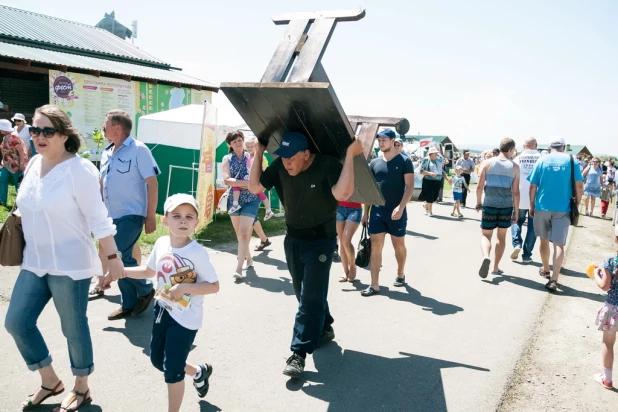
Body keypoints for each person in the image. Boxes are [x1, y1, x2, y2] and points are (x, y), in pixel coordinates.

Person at [4, 105, 124, 411]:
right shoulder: (32, 165)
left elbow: (99, 219)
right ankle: (49, 379)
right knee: (17, 322)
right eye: (34, 130)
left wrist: (112, 259)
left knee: (73, 328)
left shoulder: (79, 170)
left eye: (47, 131)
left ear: (64, 135)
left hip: (70, 266)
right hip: (35, 261)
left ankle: (81, 386)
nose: (39, 136)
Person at [249, 131, 361, 378]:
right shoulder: (280, 166)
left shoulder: (327, 165)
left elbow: (343, 194)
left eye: (292, 157)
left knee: (310, 295)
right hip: (293, 239)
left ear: (307, 154)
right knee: (304, 292)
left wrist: (350, 156)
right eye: (284, 157)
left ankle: (298, 353)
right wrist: (259, 151)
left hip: (320, 241)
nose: (287, 162)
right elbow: (254, 186)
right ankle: (324, 327)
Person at [105, 194, 219, 411]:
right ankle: (198, 371)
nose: (183, 220)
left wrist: (185, 288)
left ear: (196, 222)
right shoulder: (161, 243)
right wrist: (120, 272)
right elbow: (149, 271)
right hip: (162, 310)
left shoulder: (197, 253)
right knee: (158, 360)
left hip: (185, 320)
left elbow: (214, 286)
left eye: (189, 216)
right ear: (165, 220)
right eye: (176, 216)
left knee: (172, 371)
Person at [100, 109, 160, 320]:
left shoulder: (139, 149)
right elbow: (103, 184)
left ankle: (145, 289)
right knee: (122, 258)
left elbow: (152, 183)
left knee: (117, 256)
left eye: (106, 122)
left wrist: (150, 215)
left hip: (131, 214)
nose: (103, 126)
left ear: (117, 127)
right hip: (110, 216)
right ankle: (128, 304)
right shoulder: (107, 152)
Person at [362, 128, 414, 294]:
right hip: (377, 212)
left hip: (396, 212)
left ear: (393, 141)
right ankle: (374, 284)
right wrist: (365, 213)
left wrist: (401, 206)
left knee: (398, 246)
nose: (381, 142)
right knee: (376, 245)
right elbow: (370, 190)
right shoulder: (374, 163)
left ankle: (400, 274)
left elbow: (410, 186)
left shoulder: (404, 161)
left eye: (384, 140)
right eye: (379, 140)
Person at [528, 137, 584, 291]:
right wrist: (577, 204)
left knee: (544, 240)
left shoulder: (542, 160)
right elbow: (579, 186)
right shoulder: (572, 161)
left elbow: (533, 186)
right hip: (563, 208)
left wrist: (531, 205)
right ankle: (554, 279)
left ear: (549, 146)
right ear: (563, 147)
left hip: (542, 206)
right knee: (559, 244)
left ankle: (546, 269)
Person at [476, 138, 520, 278]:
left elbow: (479, 186)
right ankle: (495, 267)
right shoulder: (514, 167)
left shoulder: (487, 163)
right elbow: (516, 192)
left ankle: (486, 257)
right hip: (505, 206)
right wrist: (516, 211)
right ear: (511, 150)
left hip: (489, 204)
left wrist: (478, 202)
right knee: (501, 238)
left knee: (486, 235)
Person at [222, 130, 261, 279]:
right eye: (234, 141)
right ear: (230, 144)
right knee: (240, 234)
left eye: (240, 140)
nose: (238, 143)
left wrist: (244, 184)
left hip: (251, 199)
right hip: (234, 201)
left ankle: (239, 267)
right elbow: (227, 180)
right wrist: (248, 183)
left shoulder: (251, 156)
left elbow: (258, 176)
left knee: (244, 233)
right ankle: (249, 259)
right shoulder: (227, 159)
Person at [592, 224, 618, 389]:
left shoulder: (610, 261)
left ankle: (607, 379)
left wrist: (596, 273)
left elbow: (604, 285)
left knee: (608, 343)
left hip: (613, 308)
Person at [510, 138, 541, 262]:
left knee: (516, 220)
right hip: (536, 197)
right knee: (533, 226)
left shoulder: (517, 159)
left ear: (524, 146)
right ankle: (527, 255)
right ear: (536, 145)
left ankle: (517, 243)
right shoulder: (542, 159)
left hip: (519, 195)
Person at [0, 118, 27, 206]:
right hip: (6, 163)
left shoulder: (14, 136)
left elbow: (21, 151)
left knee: (17, 184)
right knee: (2, 180)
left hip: (16, 164)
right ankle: (2, 200)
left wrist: (22, 163)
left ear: (4, 129)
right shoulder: (5, 137)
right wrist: (2, 160)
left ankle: (20, 204)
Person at [418, 146, 451, 217]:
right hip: (428, 181)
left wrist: (447, 178)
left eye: (437, 153)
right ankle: (430, 212)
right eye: (435, 153)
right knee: (430, 196)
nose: (436, 154)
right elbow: (421, 171)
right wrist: (430, 173)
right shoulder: (426, 159)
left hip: (438, 180)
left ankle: (426, 205)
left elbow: (441, 170)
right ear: (431, 153)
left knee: (435, 197)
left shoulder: (439, 160)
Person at [336, 199, 363, 282]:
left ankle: (352, 265)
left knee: (346, 240)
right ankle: (345, 271)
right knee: (342, 241)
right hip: (339, 207)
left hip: (355, 209)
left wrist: (366, 214)